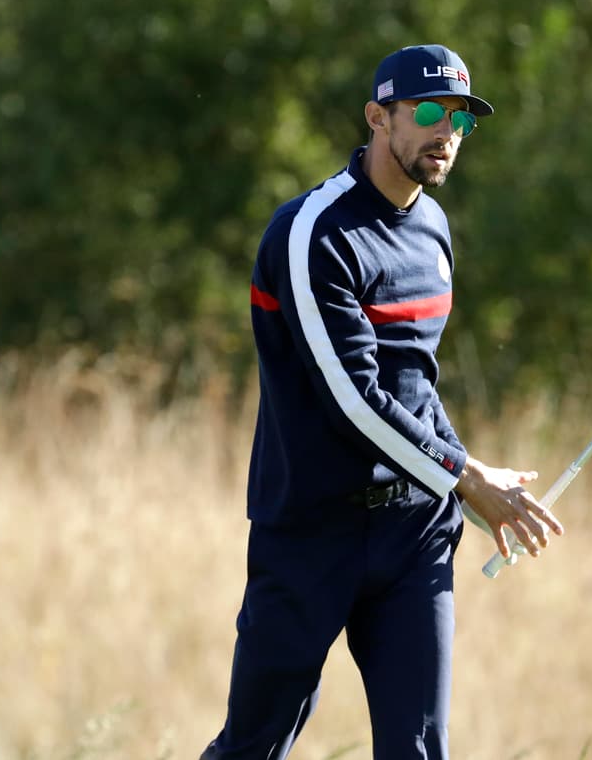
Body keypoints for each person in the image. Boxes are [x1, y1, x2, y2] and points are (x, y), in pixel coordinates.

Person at [201, 44, 564, 760]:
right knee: (254, 747)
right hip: (311, 531)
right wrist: (466, 476)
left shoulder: (433, 229)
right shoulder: (313, 233)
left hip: (414, 534)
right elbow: (353, 403)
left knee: (420, 749)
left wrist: (463, 489)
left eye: (461, 119)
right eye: (429, 112)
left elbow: (415, 384)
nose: (446, 133)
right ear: (378, 117)